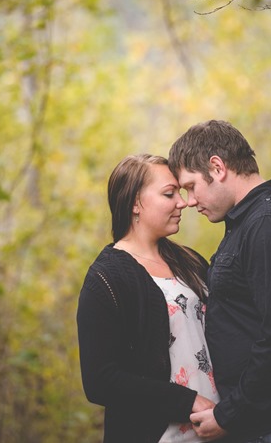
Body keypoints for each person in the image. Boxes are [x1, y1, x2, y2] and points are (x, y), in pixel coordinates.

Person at [168, 119, 271, 443]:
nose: (188, 200)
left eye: (190, 186)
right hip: (262, 426)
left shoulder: (269, 224)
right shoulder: (250, 224)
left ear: (217, 167)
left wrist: (228, 414)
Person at [77, 154, 220, 443]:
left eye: (179, 193)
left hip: (222, 430)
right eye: (169, 194)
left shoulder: (190, 261)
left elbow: (235, 320)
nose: (182, 202)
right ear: (134, 203)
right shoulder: (106, 279)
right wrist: (188, 401)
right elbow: (100, 381)